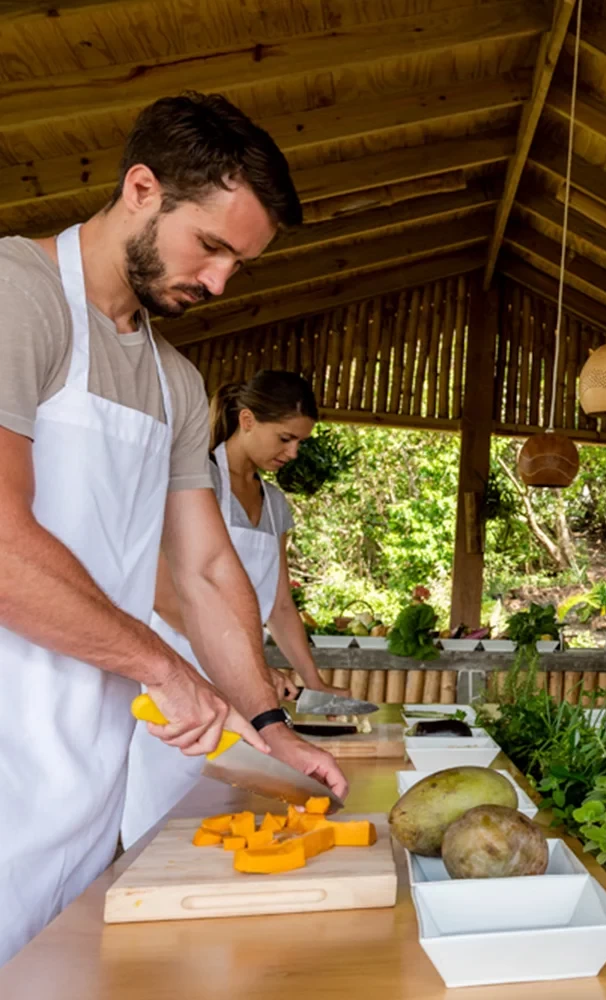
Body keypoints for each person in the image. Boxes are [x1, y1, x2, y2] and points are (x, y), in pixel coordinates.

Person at [0, 92, 346, 965]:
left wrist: (269, 726)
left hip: (84, 772)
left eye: (242, 262)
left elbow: (207, 574)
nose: (221, 281)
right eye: (214, 247)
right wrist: (163, 666)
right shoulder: (18, 295)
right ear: (143, 188)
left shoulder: (174, 381)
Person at [121, 372, 351, 849]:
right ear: (246, 420)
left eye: (300, 443)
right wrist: (249, 664)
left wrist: (316, 682)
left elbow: (281, 605)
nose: (292, 453)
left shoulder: (276, 506)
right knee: (165, 826)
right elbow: (165, 591)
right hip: (179, 675)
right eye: (285, 438)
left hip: (246, 685)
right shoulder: (193, 480)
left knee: (231, 823)